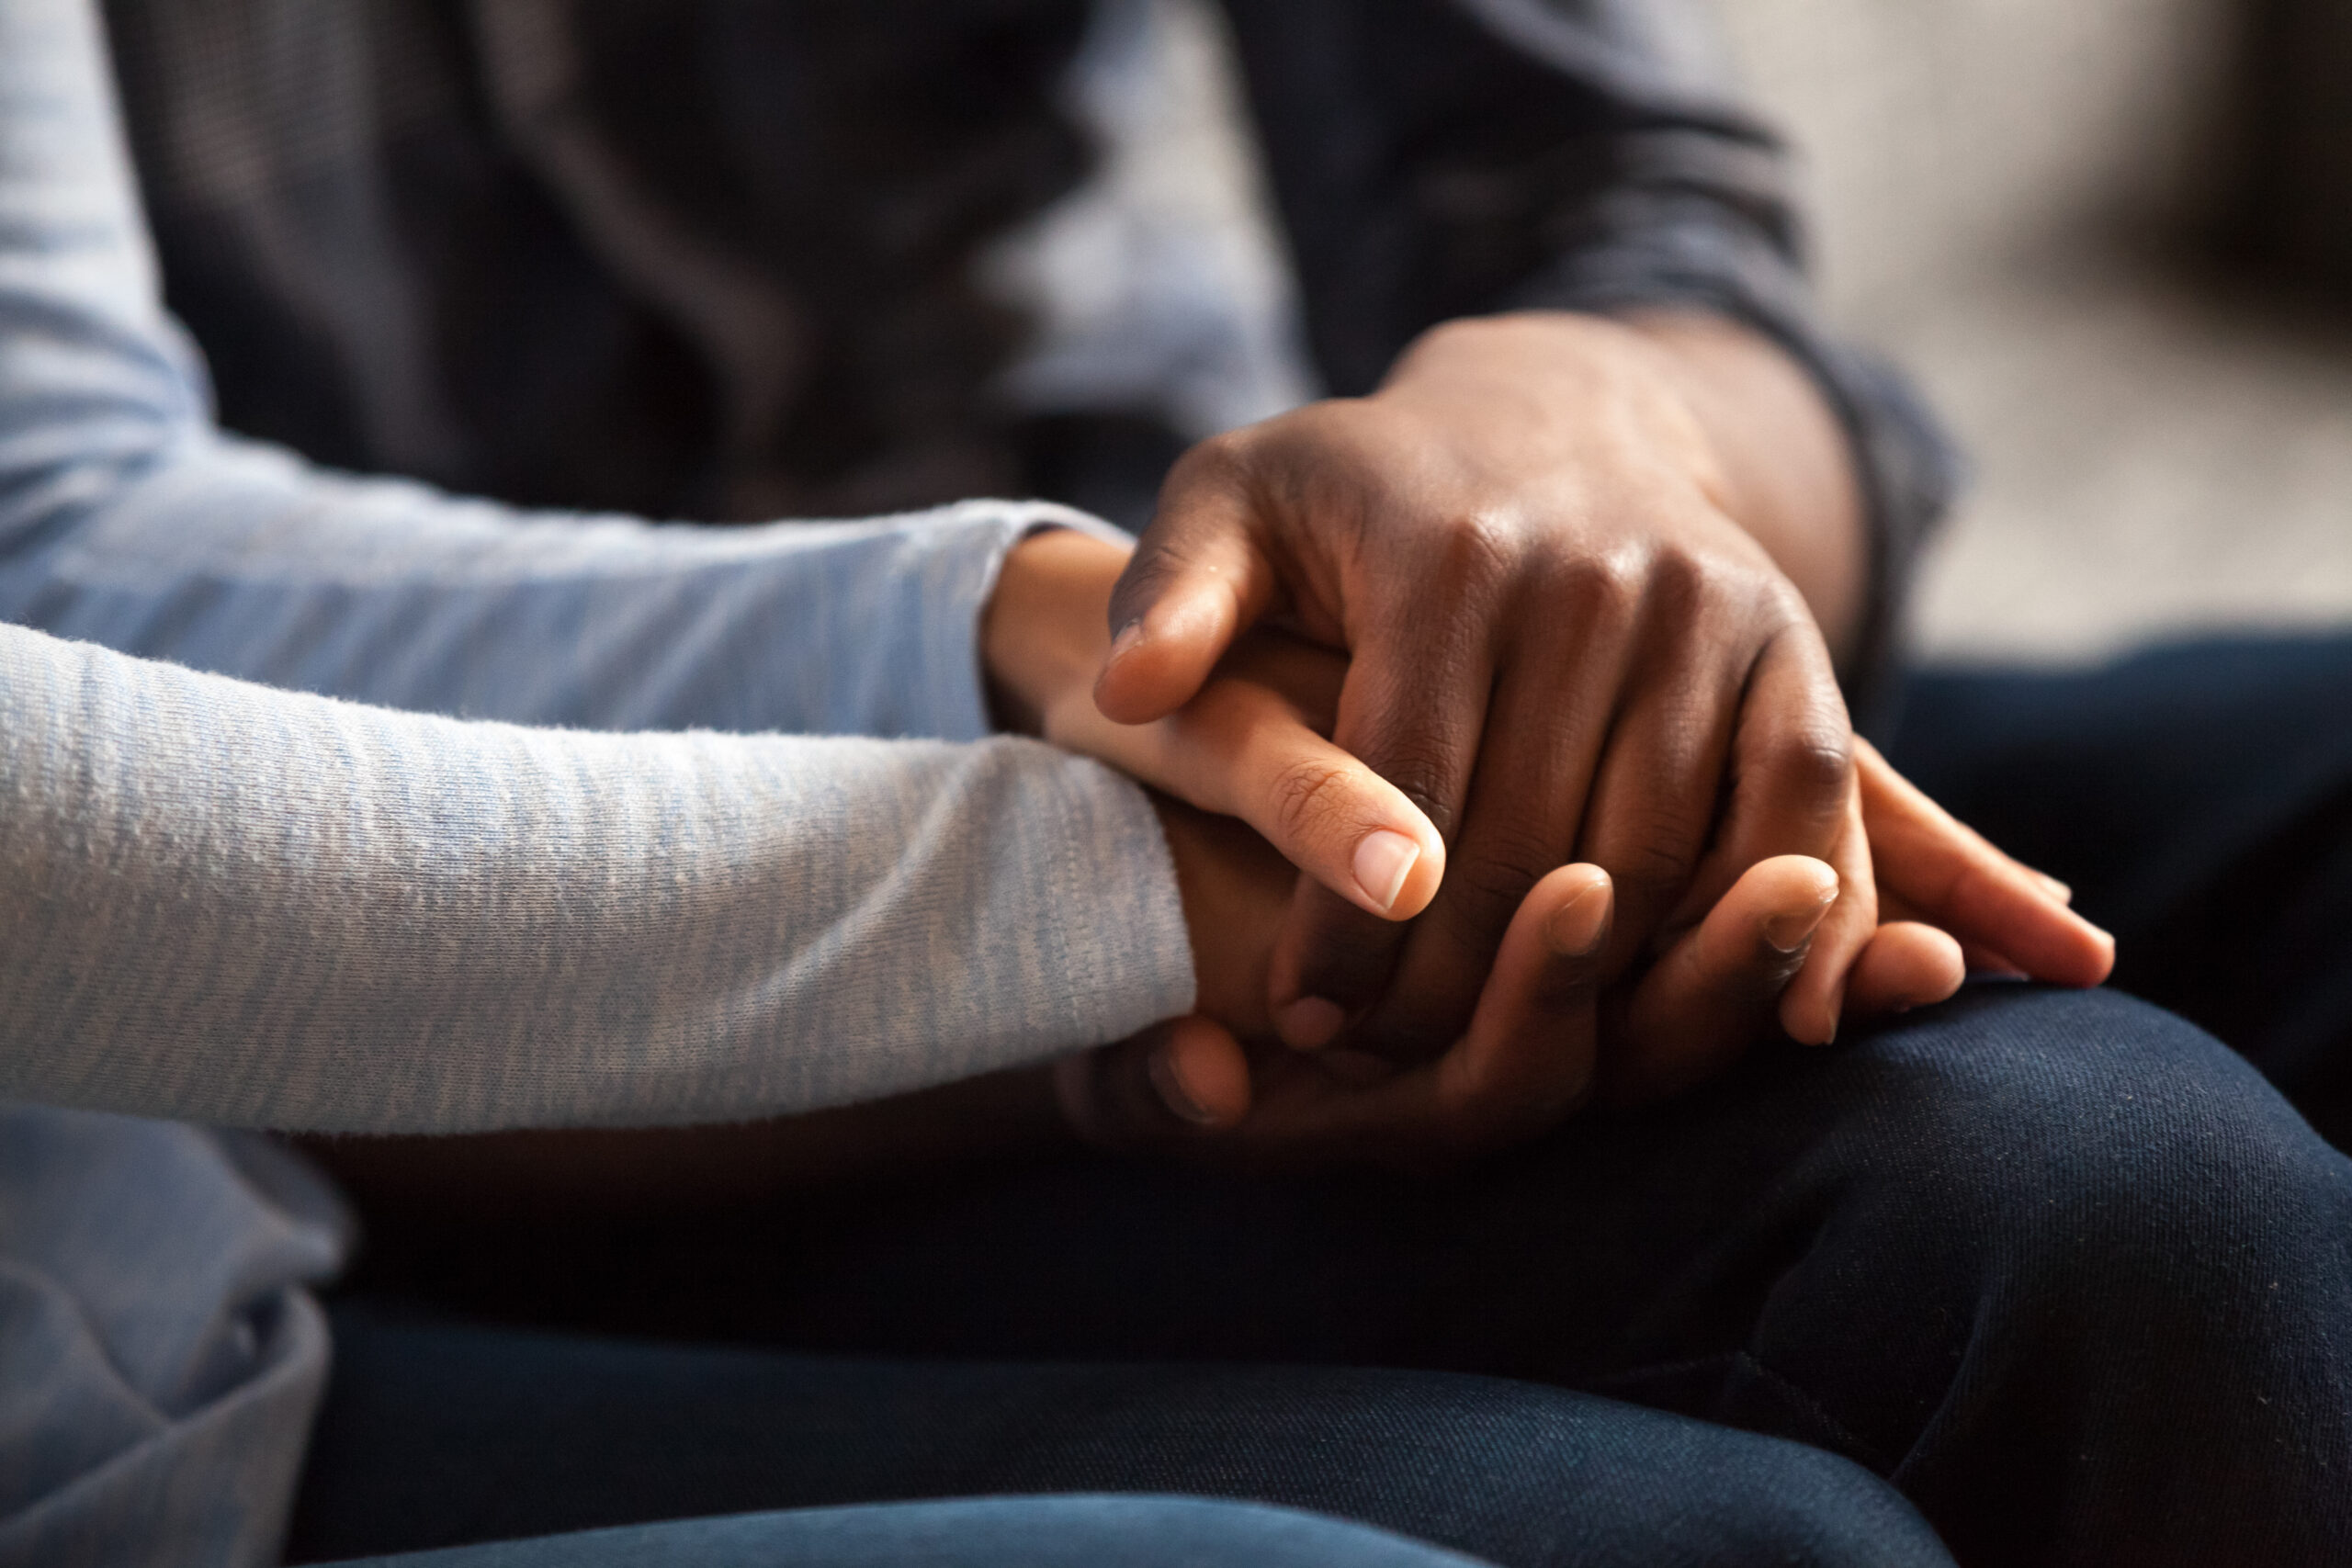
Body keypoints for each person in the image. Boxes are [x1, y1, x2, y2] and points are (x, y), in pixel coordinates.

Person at [2, 3, 2348, 1568]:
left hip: (1246, 686)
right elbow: (72, 575)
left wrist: (1587, 455)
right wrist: (1151, 869)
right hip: (438, 990)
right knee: (2088, 1203)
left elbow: (1628, 213)